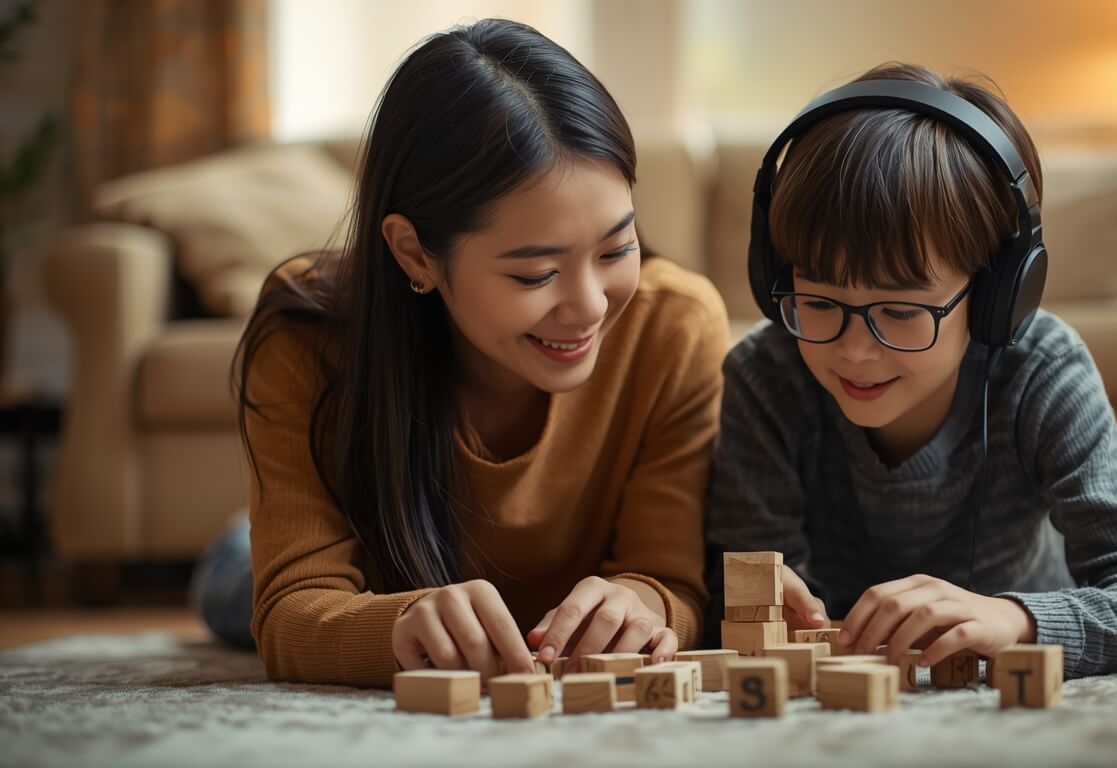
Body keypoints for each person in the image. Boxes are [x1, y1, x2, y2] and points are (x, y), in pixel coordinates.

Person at [198, 18, 728, 687]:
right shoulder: (308, 330)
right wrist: (399, 622)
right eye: (536, 274)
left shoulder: (674, 324)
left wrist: (645, 605)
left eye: (615, 248)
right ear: (415, 253)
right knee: (230, 587)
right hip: (364, 573)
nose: (591, 305)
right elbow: (293, 612)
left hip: (531, 612)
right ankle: (243, 538)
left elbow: (673, 582)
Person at [704, 63, 1117, 679]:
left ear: (1000, 294)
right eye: (818, 303)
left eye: (900, 310)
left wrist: (1016, 621)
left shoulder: (1041, 368)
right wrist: (751, 600)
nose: (855, 350)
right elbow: (732, 598)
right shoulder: (766, 377)